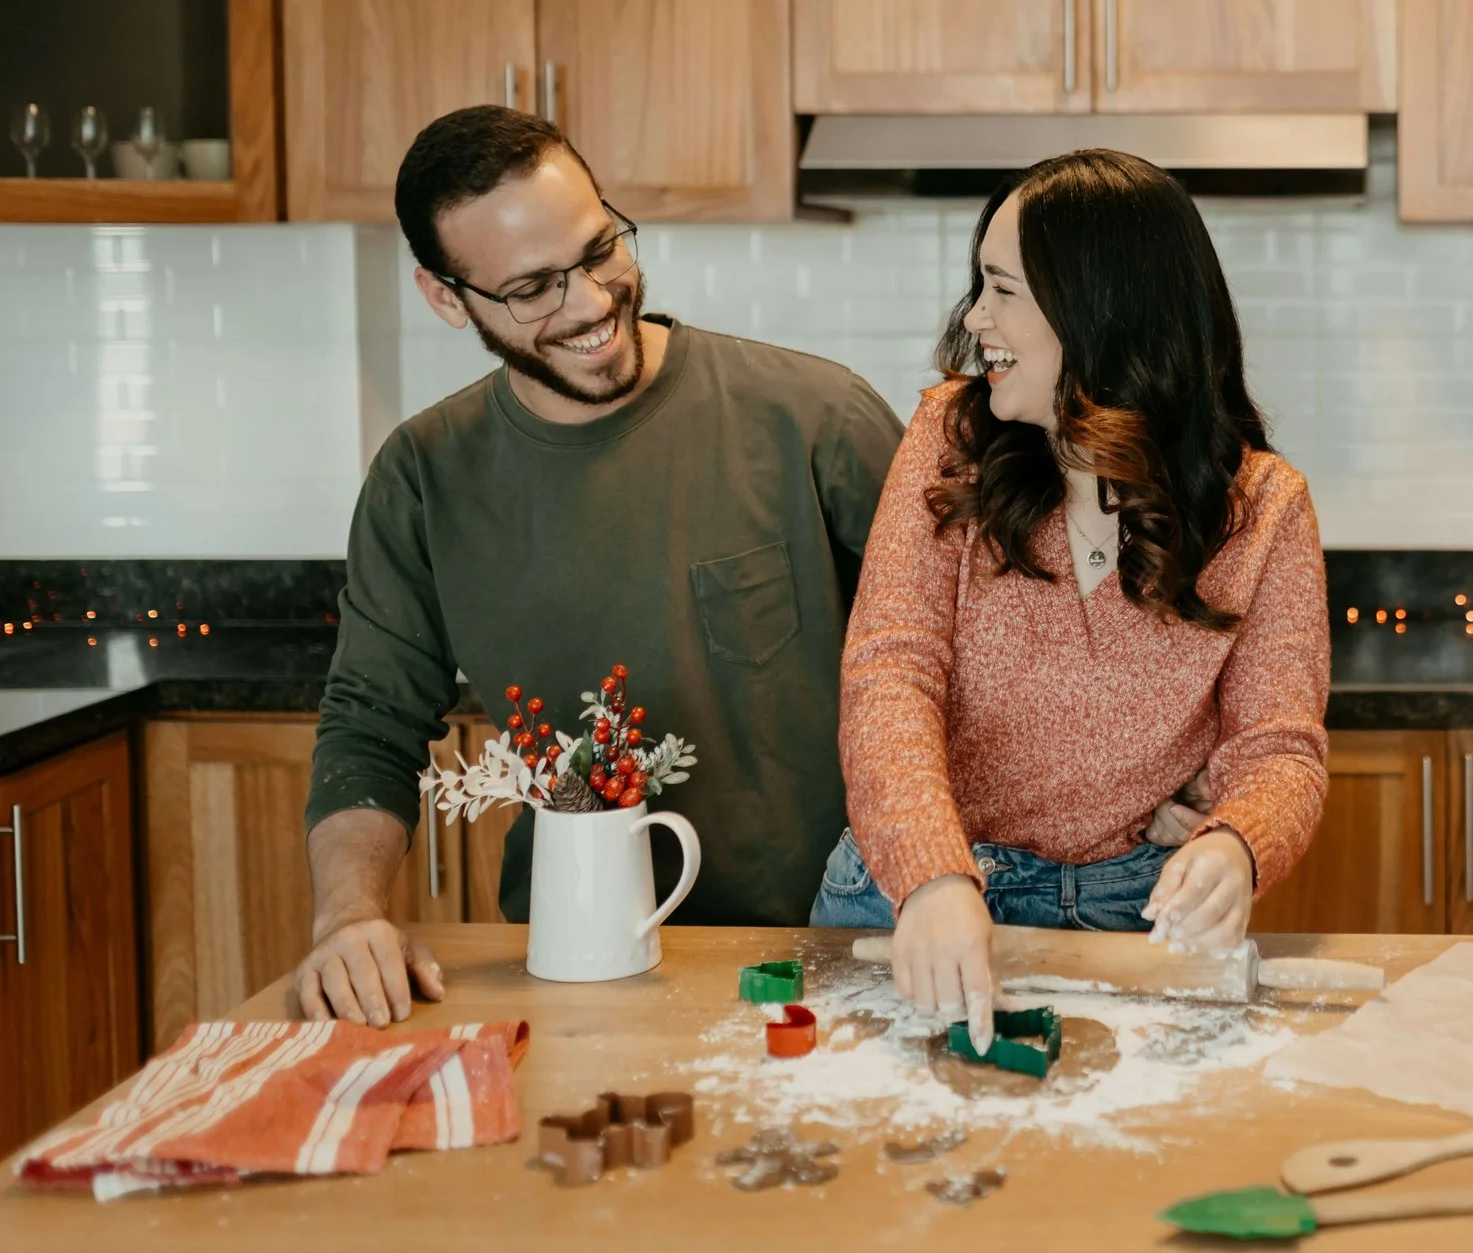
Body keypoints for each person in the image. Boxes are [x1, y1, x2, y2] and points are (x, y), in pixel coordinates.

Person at [292, 106, 903, 1026]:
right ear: (446, 297)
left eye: (599, 248)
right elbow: (368, 727)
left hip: (839, 956)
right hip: (579, 965)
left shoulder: (816, 420)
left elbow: (973, 661)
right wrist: (347, 914)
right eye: (532, 287)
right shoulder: (424, 478)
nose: (588, 302)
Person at [819, 149, 1329, 1047]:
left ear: (1100, 311)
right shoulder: (949, 439)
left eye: (1003, 288)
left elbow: (1280, 746)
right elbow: (891, 675)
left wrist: (1236, 844)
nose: (978, 318)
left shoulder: (1264, 509)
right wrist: (933, 877)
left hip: (1133, 916)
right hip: (915, 900)